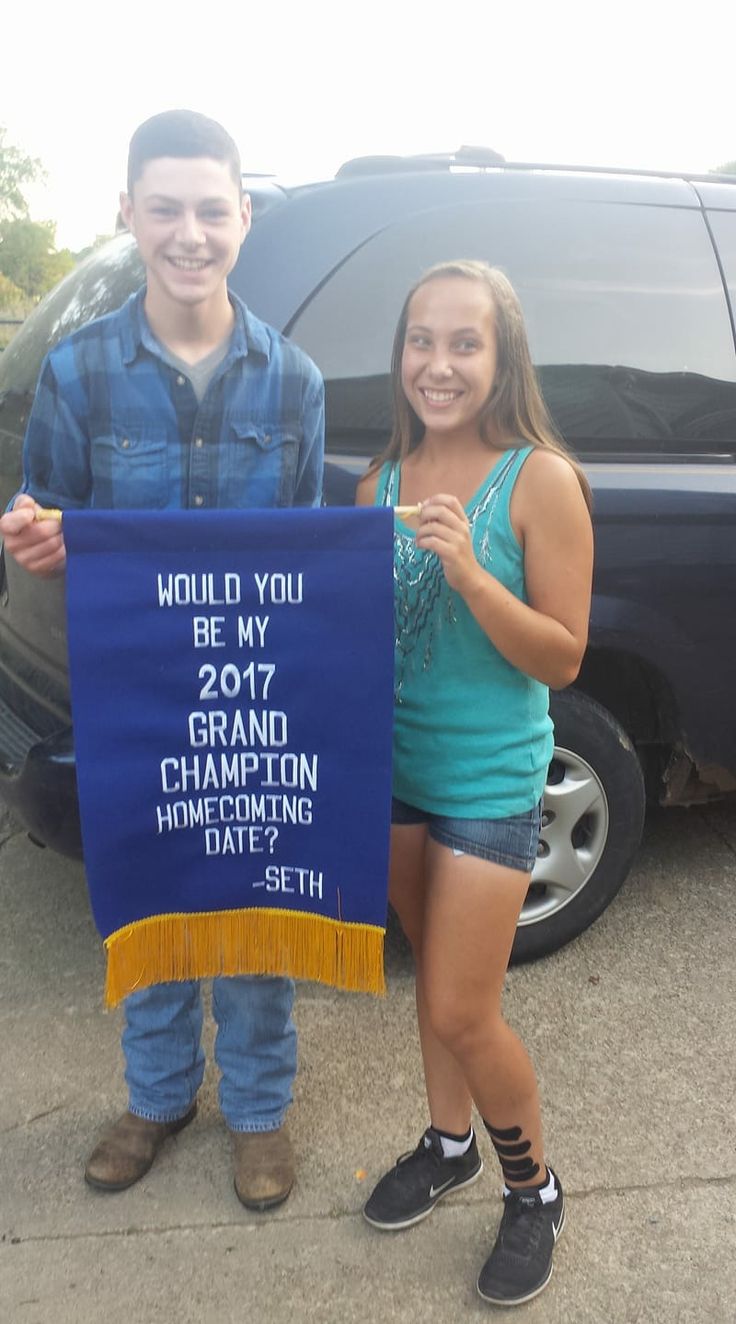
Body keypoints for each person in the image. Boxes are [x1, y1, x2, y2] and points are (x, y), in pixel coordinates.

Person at [0, 110, 324, 1210]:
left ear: (244, 219)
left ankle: (260, 1113)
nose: (191, 233)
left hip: (250, 701)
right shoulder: (78, 372)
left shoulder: (296, 382)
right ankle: (156, 1095)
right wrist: (34, 534)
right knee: (142, 903)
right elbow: (46, 516)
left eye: (212, 211)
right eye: (167, 208)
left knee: (247, 907)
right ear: (128, 213)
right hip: (129, 699)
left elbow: (304, 560)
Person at [356, 260, 593, 1307]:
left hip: (487, 783)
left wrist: (467, 569)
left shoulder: (537, 477)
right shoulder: (380, 481)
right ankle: (448, 1139)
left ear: (501, 358)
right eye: (420, 340)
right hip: (394, 773)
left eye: (463, 343)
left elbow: (562, 655)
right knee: (431, 978)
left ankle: (533, 1184)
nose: (437, 363)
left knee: (462, 1005)